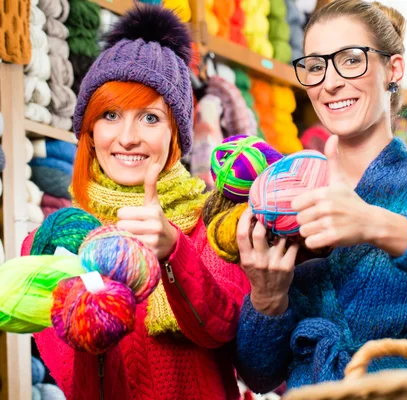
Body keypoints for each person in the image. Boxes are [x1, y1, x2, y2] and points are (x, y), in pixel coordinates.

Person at [235, 0, 407, 393]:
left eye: (350, 60)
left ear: (393, 69)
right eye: (315, 66)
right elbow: (258, 374)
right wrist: (267, 297)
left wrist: (376, 225)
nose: (329, 82)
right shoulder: (283, 196)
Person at [21, 6, 249, 400]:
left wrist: (174, 252)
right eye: (110, 114)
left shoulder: (212, 223)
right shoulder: (48, 245)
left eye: (149, 118)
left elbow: (225, 330)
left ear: (176, 132)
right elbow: (77, 383)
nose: (127, 137)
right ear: (89, 128)